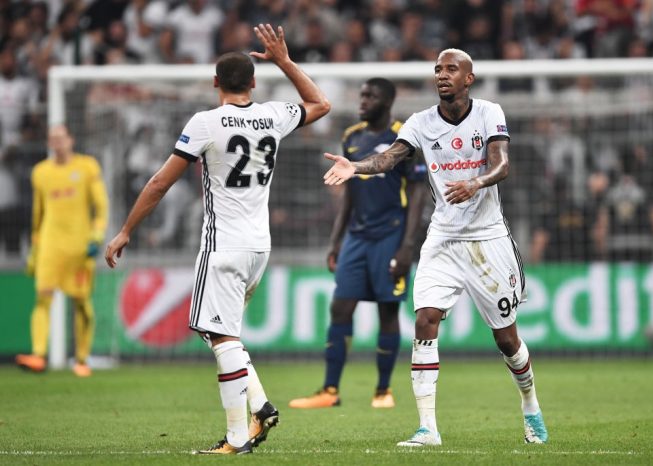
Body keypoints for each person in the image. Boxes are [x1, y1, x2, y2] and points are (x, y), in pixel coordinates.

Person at [104, 24, 330, 455]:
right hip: (260, 247)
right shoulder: (273, 115)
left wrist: (126, 230)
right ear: (254, 82)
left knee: (220, 336)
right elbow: (320, 103)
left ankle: (237, 437)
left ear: (214, 82)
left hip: (223, 245)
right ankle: (261, 406)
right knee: (219, 333)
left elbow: (159, 183)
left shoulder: (205, 123)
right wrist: (285, 61)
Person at [323, 48, 548, 446]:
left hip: (487, 238)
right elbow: (389, 159)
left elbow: (502, 164)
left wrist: (476, 182)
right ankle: (428, 428)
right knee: (425, 318)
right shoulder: (420, 122)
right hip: (442, 237)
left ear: (468, 79)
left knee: (506, 340)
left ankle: (530, 405)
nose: (442, 75)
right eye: (438, 69)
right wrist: (355, 167)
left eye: (451, 69)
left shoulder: (489, 112)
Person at [289, 78, 427, 409]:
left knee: (387, 310)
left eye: (370, 96)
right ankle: (329, 390)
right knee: (340, 307)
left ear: (387, 101)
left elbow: (418, 193)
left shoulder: (405, 137)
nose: (362, 101)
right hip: (356, 236)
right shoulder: (351, 136)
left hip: (391, 235)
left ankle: (383, 391)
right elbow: (349, 196)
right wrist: (336, 240)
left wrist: (408, 246)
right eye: (362, 95)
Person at [15, 124, 109, 378]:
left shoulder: (87, 167)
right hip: (50, 245)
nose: (57, 142)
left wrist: (97, 234)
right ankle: (38, 355)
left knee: (81, 302)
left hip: (79, 247)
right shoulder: (40, 172)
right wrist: (35, 247)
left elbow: (101, 206)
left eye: (60, 137)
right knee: (43, 297)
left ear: (71, 139)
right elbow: (38, 212)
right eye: (52, 138)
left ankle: (81, 359)